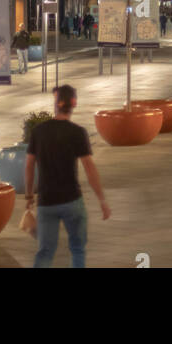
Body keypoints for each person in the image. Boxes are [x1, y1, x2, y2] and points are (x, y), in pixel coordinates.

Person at [25, 83, 110, 268]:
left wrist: (29, 195)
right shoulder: (77, 133)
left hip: (46, 202)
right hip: (72, 200)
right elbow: (89, 167)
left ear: (56, 103)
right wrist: (102, 200)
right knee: (78, 248)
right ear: (74, 104)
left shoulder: (39, 132)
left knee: (45, 251)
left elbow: (29, 166)